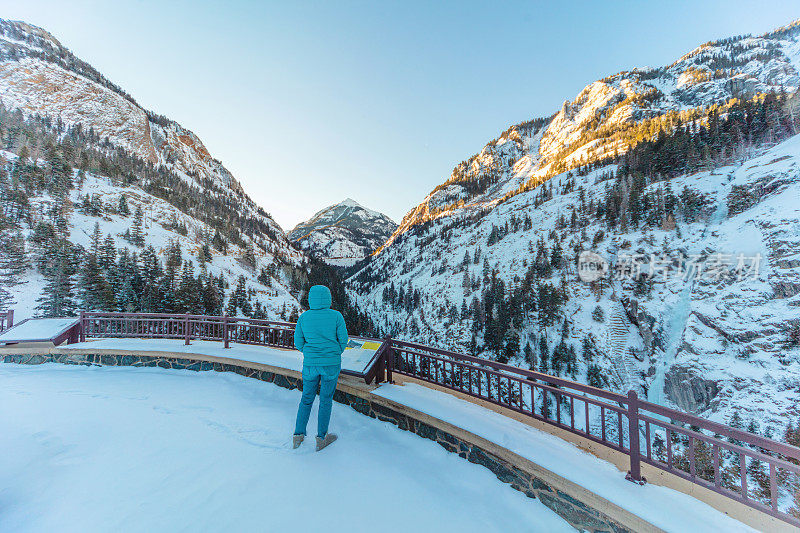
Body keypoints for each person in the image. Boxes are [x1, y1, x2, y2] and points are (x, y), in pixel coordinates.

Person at [292, 285, 348, 451]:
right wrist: (335, 352)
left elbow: (298, 342)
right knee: (325, 400)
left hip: (310, 364)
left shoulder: (304, 317)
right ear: (328, 298)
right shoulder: (336, 316)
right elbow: (343, 340)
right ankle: (321, 438)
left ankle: (298, 436)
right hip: (331, 365)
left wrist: (310, 353)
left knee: (306, 399)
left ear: (311, 299)